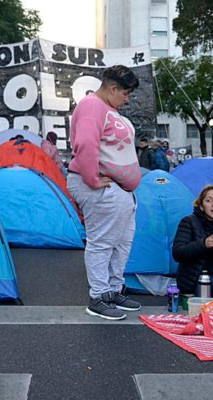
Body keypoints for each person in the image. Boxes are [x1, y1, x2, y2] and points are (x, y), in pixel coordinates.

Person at [67, 65, 142, 321]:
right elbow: (85, 143)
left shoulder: (107, 109)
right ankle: (98, 296)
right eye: (126, 94)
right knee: (102, 242)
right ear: (113, 88)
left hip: (119, 188)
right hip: (99, 185)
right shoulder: (92, 105)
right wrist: (92, 178)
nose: (127, 99)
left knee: (121, 242)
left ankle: (112, 289)